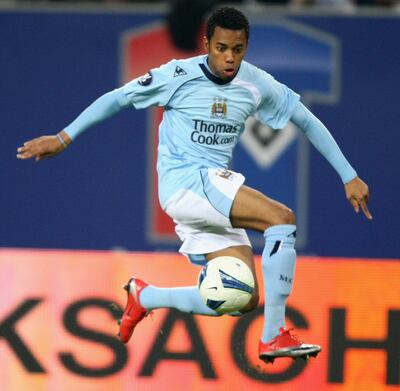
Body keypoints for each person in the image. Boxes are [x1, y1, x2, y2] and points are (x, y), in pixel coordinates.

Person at [17, 7, 372, 364]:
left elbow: (306, 121)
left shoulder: (256, 83)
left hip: (208, 192)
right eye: (221, 48)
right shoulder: (178, 75)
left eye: (237, 49)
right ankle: (273, 336)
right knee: (282, 218)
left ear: (247, 46)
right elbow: (118, 98)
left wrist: (348, 174)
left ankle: (146, 296)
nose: (229, 57)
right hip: (186, 181)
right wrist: (64, 137)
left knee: (242, 297)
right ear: (206, 44)